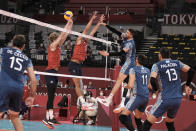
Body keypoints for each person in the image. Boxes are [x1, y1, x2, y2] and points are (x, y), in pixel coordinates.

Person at [142, 47, 195, 131]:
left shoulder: (157, 65)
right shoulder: (177, 63)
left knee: (147, 124)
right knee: (169, 122)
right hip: (177, 99)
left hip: (165, 98)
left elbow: (152, 80)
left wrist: (156, 90)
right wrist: (187, 85)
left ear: (160, 55)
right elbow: (191, 71)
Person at [68, 12, 104, 108]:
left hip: (79, 65)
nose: (88, 36)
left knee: (81, 84)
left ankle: (83, 101)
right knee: (77, 85)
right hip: (73, 64)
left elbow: (92, 32)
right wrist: (92, 18)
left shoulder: (86, 42)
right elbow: (87, 29)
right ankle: (82, 102)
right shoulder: (79, 40)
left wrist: (99, 24)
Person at [0, 35, 37, 131]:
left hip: (4, 84)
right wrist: (32, 96)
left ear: (12, 43)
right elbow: (33, 79)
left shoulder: (3, 51)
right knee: (15, 116)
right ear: (23, 46)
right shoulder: (27, 59)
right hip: (18, 88)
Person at [42, 18, 73, 129]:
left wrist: (71, 23)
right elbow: (62, 35)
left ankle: (50, 118)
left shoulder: (58, 46)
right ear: (54, 39)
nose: (61, 41)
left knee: (52, 96)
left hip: (54, 73)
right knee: (50, 96)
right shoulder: (52, 46)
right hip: (49, 72)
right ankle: (47, 118)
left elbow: (65, 35)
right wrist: (67, 24)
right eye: (58, 39)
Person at [98, 28, 136, 112]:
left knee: (119, 81)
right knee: (126, 83)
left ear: (131, 35)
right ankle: (122, 103)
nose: (125, 33)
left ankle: (109, 100)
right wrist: (106, 25)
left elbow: (121, 53)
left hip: (129, 63)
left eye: (127, 32)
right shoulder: (126, 38)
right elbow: (117, 32)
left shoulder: (130, 43)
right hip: (130, 63)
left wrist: (108, 54)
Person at [118, 55, 150, 131]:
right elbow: (149, 85)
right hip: (146, 97)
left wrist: (124, 86)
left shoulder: (133, 69)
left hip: (138, 96)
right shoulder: (148, 70)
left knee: (122, 117)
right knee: (138, 119)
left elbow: (131, 85)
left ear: (137, 60)